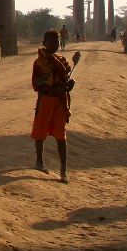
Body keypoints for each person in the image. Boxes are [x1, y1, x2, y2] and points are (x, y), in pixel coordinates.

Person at [31, 29, 73, 184]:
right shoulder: (39, 63)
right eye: (51, 41)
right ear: (44, 43)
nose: (54, 44)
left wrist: (69, 84)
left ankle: (63, 169)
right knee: (40, 132)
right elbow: (37, 84)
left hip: (60, 101)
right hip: (46, 100)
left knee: (61, 135)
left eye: (56, 41)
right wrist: (55, 89)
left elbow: (66, 79)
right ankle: (39, 161)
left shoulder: (62, 61)